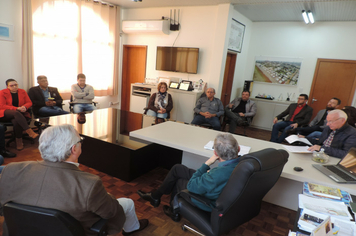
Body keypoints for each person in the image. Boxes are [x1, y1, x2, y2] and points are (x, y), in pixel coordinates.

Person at [0, 124, 148, 235]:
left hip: (20, 231)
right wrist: (106, 197)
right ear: (74, 149)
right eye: (80, 140)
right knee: (127, 203)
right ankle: (132, 229)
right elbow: (110, 213)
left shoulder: (10, 169)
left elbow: (2, 209)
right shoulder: (89, 184)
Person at [137, 133, 240, 222]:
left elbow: (191, 186)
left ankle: (173, 211)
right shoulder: (242, 164)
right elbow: (214, 179)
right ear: (238, 149)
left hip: (207, 201)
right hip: (213, 186)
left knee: (179, 181)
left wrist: (207, 164)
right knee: (178, 169)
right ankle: (156, 196)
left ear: (215, 153)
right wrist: (208, 173)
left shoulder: (218, 174)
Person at [0, 79, 39, 150]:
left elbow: (29, 102)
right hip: (4, 113)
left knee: (16, 120)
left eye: (16, 85)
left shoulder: (22, 91)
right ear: (7, 86)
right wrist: (17, 108)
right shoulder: (2, 92)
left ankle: (19, 141)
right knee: (16, 113)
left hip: (18, 115)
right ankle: (29, 132)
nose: (14, 87)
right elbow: (2, 105)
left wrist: (24, 107)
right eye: (12, 86)